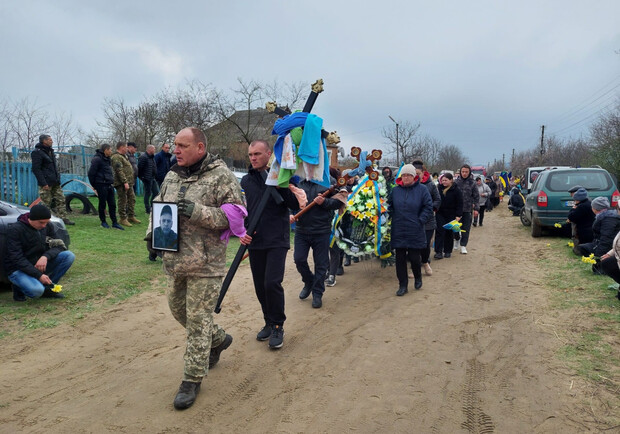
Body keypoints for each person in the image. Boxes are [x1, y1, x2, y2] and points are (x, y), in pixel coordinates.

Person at [147, 127, 244, 410]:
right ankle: (219, 339)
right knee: (179, 310)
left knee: (198, 320)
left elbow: (234, 218)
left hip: (206, 262)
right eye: (175, 145)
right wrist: (151, 236)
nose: (175, 150)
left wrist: (195, 210)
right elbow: (158, 205)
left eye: (182, 145)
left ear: (200, 148)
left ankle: (191, 380)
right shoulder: (172, 174)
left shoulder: (221, 176)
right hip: (175, 260)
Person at [240, 140, 300, 349]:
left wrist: (281, 185)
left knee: (271, 283)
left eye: (257, 153)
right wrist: (242, 231)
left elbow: (294, 204)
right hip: (256, 240)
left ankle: (277, 326)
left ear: (268, 154)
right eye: (250, 155)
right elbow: (240, 210)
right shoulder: (246, 182)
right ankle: (268, 321)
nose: (253, 158)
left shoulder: (281, 177)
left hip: (277, 238)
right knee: (259, 286)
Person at [4, 204, 75, 302]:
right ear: (31, 219)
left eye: (46, 222)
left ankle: (48, 289)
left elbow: (59, 245)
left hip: (38, 264)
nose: (44, 226)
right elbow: (16, 258)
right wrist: (39, 275)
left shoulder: (46, 225)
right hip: (18, 268)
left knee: (68, 256)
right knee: (36, 291)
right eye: (41, 223)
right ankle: (18, 288)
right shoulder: (15, 230)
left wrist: (45, 257)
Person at [294, 179, 347, 308]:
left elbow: (339, 202)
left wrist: (325, 202)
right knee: (299, 259)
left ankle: (317, 293)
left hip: (321, 230)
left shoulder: (329, 182)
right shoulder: (298, 183)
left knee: (321, 263)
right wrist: (291, 215)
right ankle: (308, 281)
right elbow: (291, 202)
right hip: (301, 230)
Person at [388, 164, 433, 296]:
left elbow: (428, 206)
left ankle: (418, 277)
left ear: (414, 177)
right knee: (400, 259)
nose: (406, 178)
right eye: (403, 175)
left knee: (414, 258)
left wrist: (421, 220)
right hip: (399, 228)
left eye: (408, 175)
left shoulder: (422, 189)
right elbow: (389, 206)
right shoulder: (395, 190)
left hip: (415, 228)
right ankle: (403, 285)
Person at [30, 134, 74, 225]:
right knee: (46, 202)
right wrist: (43, 183)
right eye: (50, 140)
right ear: (44, 141)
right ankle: (47, 219)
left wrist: (57, 179)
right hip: (46, 183)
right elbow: (36, 169)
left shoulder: (50, 152)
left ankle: (63, 218)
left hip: (55, 181)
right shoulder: (37, 152)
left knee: (61, 199)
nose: (52, 141)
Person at [412, 160, 440, 277]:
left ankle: (425, 262)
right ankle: (415, 266)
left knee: (425, 244)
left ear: (423, 173)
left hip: (428, 220)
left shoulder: (431, 185)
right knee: (414, 245)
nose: (415, 176)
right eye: (413, 174)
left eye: (418, 174)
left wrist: (428, 208)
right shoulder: (408, 185)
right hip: (413, 220)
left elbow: (437, 200)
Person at [88, 144, 123, 230]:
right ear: (105, 150)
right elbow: (91, 173)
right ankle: (103, 221)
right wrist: (94, 185)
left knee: (112, 204)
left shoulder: (108, 159)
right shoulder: (97, 159)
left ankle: (114, 222)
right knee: (102, 204)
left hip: (109, 184)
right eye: (110, 150)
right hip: (101, 184)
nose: (111, 151)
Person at [434, 173, 463, 260]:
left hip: (451, 214)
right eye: (442, 180)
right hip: (440, 213)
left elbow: (460, 203)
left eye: (446, 180)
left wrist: (458, 215)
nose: (444, 182)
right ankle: (438, 251)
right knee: (440, 231)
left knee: (449, 232)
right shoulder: (438, 188)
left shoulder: (456, 190)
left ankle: (447, 251)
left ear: (451, 180)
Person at [111, 141, 141, 227]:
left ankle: (131, 216)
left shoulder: (124, 156)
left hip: (129, 182)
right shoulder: (116, 157)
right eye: (126, 147)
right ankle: (123, 218)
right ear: (121, 147)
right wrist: (124, 182)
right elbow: (119, 171)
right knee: (123, 201)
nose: (127, 149)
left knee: (132, 199)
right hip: (121, 183)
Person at [454, 164, 479, 254]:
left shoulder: (472, 183)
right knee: (455, 228)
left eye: (466, 172)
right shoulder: (455, 183)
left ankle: (463, 245)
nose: (464, 173)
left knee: (466, 228)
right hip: (456, 209)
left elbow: (476, 197)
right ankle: (456, 239)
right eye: (463, 171)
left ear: (469, 173)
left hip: (467, 209)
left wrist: (476, 209)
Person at [138, 144, 159, 214]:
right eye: (154, 149)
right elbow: (140, 168)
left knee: (156, 192)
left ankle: (152, 205)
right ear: (150, 149)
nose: (155, 150)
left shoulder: (152, 157)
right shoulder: (143, 157)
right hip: (147, 178)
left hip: (152, 178)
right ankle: (147, 208)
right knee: (148, 193)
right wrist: (142, 177)